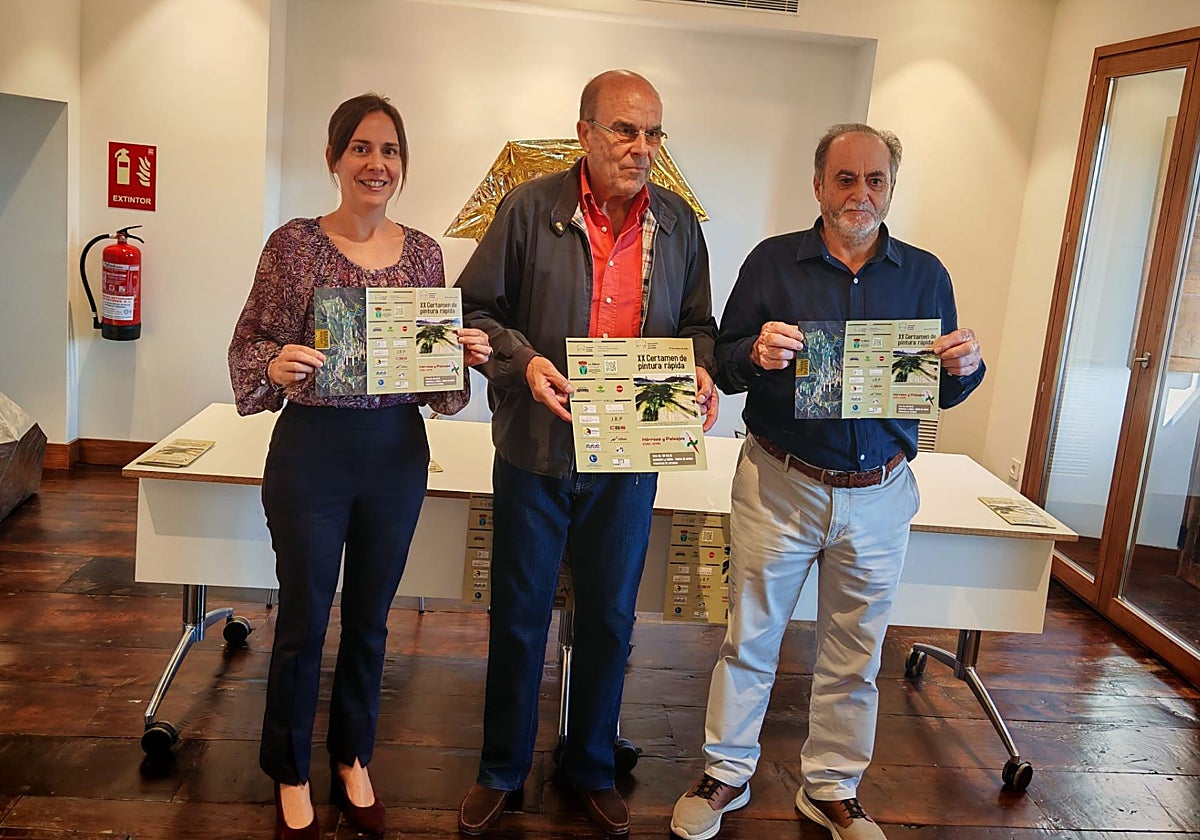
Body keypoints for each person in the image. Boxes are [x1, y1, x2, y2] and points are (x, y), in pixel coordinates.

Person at [670, 123, 985, 840]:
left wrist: (966, 372)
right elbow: (720, 363)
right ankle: (726, 774)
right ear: (818, 185)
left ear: (891, 189)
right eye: (845, 179)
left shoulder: (925, 275)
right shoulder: (772, 263)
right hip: (781, 481)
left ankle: (832, 789)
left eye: (875, 180)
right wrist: (754, 352)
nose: (860, 194)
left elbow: (938, 385)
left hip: (879, 490)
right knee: (749, 638)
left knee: (855, 654)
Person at [454, 69, 718, 836]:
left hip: (630, 453)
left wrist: (699, 367)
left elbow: (701, 327)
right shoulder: (529, 208)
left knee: (608, 618)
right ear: (585, 134)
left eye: (654, 133)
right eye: (625, 130)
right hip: (535, 447)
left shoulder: (678, 224)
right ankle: (501, 769)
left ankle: (591, 764)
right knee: (520, 615)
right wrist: (522, 359)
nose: (642, 147)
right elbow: (477, 309)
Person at [228, 93, 491, 840]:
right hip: (311, 452)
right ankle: (287, 769)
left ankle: (353, 757)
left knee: (373, 619)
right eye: (362, 150)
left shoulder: (425, 254)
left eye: (391, 152)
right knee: (305, 617)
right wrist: (274, 363)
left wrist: (460, 356)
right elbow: (251, 342)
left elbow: (438, 387)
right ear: (335, 159)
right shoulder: (293, 246)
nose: (378, 164)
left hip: (395, 452)